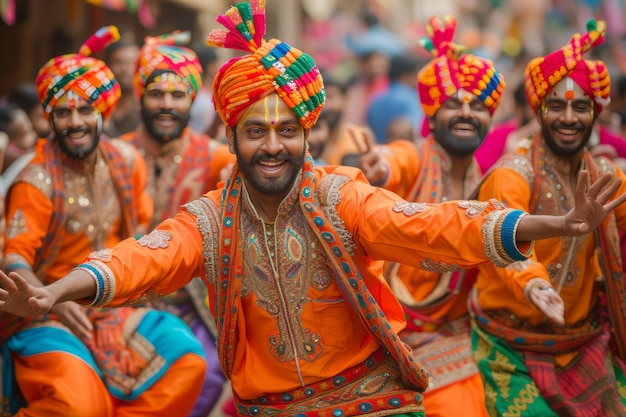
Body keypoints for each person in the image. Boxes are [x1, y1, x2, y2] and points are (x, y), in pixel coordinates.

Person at [0, 5, 624, 417]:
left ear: (307, 133)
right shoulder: (212, 220)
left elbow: (431, 225)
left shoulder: (337, 195)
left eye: (287, 131)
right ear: (233, 137)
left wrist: (553, 225)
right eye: (254, 132)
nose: (272, 145)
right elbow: (147, 256)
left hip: (366, 402)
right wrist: (59, 292)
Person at [0, 26, 206, 417]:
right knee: (79, 407)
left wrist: (130, 296)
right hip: (47, 315)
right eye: (63, 112)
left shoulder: (126, 163)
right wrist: (49, 298)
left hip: (113, 305)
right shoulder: (35, 180)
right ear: (50, 117)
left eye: (85, 110)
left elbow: (139, 238)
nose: (75, 122)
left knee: (186, 360)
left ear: (103, 111)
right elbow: (15, 257)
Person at [471, 20, 626, 415]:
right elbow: (506, 240)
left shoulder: (609, 177)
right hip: (509, 347)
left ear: (596, 112)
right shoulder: (512, 173)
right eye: (556, 105)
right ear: (538, 110)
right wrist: (535, 285)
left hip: (584, 341)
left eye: (580, 106)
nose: (569, 118)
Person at [355, 15, 503, 417]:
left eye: (477, 106)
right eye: (453, 104)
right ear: (432, 113)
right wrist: (378, 164)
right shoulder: (414, 158)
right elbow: (391, 162)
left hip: (454, 336)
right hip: (388, 333)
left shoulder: (487, 180)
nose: (466, 113)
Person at [121, 29, 234, 417]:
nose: (166, 104)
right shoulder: (116, 154)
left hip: (193, 303)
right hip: (119, 299)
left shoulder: (216, 158)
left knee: (206, 375)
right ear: (141, 96)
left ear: (192, 99)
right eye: (156, 94)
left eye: (177, 94)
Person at [366, 54, 424, 144]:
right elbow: (418, 132)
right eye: (416, 75)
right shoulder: (412, 99)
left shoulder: (376, 99)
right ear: (405, 76)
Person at [103, 39, 141, 138]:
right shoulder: (97, 105)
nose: (125, 69)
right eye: (118, 62)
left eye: (132, 63)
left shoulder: (144, 106)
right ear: (107, 66)